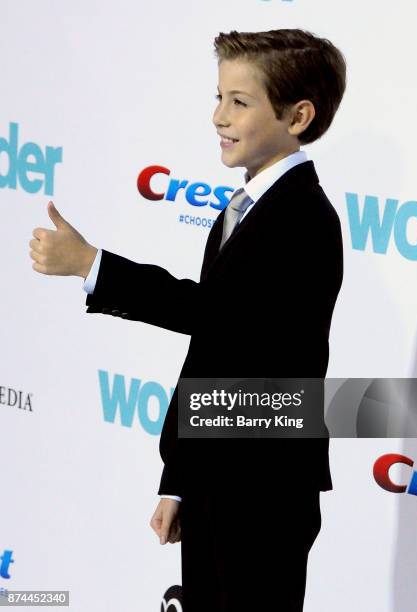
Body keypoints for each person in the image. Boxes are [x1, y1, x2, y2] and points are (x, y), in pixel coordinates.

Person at [29, 28, 346, 611]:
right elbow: (212, 354)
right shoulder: (243, 206)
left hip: (265, 487)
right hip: (217, 475)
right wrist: (179, 478)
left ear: (298, 115)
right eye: (218, 97)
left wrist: (93, 266)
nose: (218, 116)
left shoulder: (304, 219)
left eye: (239, 102)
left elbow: (214, 317)